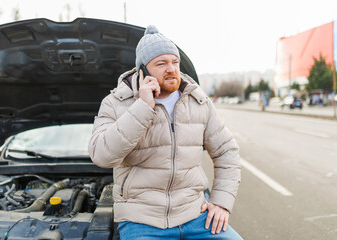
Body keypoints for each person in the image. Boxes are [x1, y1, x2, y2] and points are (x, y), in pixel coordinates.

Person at [89, 25, 242, 240]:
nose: (171, 69)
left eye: (175, 62)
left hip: (195, 215)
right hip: (141, 221)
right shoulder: (115, 103)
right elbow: (102, 155)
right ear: (142, 71)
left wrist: (221, 203)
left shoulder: (198, 101)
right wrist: (143, 107)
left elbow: (227, 152)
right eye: (161, 63)